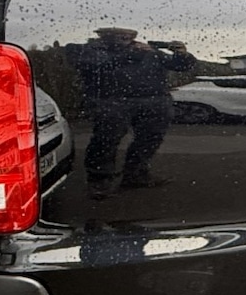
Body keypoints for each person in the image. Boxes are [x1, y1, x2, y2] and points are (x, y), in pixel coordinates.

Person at [74, 27, 196, 198]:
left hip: (154, 100)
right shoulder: (92, 49)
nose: (125, 38)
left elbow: (180, 66)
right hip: (112, 101)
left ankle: (136, 174)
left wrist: (182, 54)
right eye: (118, 35)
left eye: (128, 35)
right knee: (105, 141)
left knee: (150, 138)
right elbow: (92, 67)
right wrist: (128, 56)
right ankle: (98, 181)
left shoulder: (148, 51)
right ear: (105, 36)